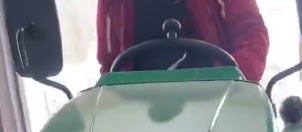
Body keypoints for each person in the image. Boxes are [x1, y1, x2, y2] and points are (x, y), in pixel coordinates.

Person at [97, 0, 270, 83]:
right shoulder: (115, 4)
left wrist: (231, 79)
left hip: (214, 99)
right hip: (138, 107)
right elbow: (109, 62)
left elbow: (252, 35)